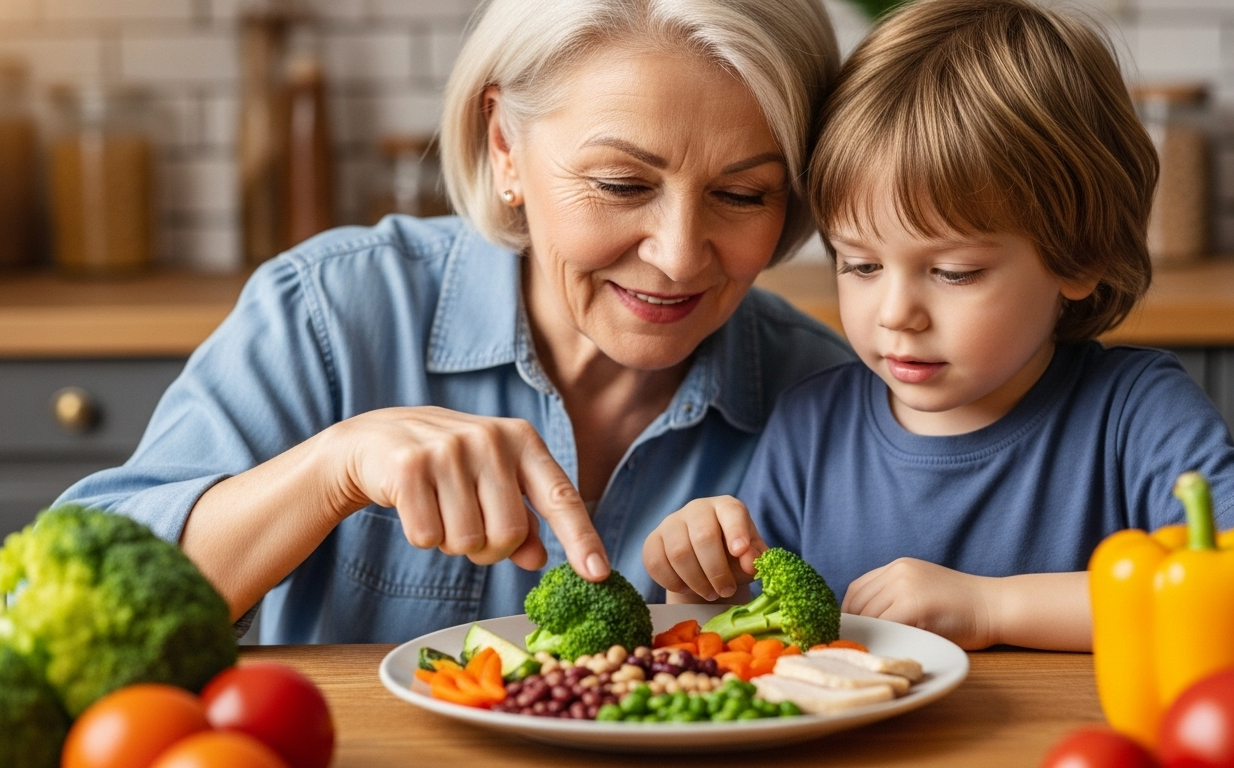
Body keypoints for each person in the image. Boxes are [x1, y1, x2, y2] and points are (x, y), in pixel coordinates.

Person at [56, 0, 854, 644]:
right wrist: (332, 471)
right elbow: (63, 605)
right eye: (620, 184)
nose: (679, 256)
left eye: (744, 194)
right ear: (504, 144)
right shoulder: (331, 312)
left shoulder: (826, 393)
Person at [643, 0, 1234, 651]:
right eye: (860, 265)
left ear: (1080, 257)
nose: (895, 314)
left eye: (953, 273)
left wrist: (991, 607)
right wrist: (697, 577)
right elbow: (742, 643)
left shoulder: (1136, 412)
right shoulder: (809, 427)